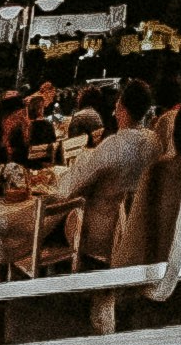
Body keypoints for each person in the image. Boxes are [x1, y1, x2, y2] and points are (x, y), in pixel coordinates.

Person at [50, 77, 159, 265]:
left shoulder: (114, 146)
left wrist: (58, 177)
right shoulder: (154, 142)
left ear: (121, 108)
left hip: (101, 235)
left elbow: (70, 188)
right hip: (136, 231)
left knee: (51, 222)